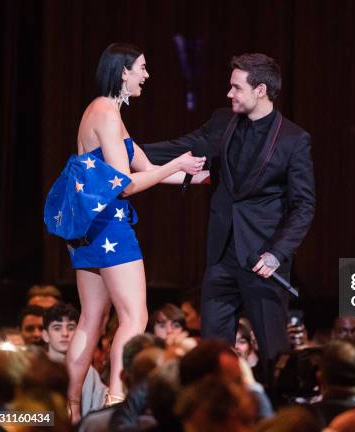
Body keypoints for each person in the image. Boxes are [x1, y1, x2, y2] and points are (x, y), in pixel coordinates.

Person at [43, 42, 206, 422]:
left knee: (92, 318)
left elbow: (146, 166)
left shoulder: (101, 111)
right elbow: (127, 185)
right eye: (142, 69)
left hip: (87, 230)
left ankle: (67, 409)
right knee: (135, 317)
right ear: (123, 72)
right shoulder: (107, 113)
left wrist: (196, 177)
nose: (146, 76)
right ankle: (118, 403)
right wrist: (176, 164)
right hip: (108, 227)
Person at [143, 53, 315, 372]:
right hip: (221, 257)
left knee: (272, 354)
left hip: (263, 261)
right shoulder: (223, 120)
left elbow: (303, 205)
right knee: (213, 352)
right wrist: (125, 149)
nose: (229, 93)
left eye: (236, 87)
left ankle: (275, 416)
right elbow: (183, 145)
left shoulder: (294, 139)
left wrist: (277, 253)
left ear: (260, 89)